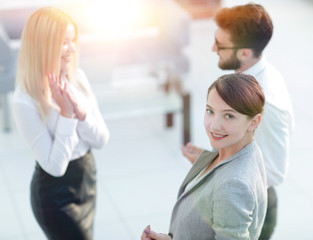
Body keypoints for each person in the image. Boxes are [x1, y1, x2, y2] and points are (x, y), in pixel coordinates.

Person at [181, 4, 294, 239]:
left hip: (247, 208)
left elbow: (274, 171)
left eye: (220, 45)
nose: (213, 48)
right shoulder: (248, 76)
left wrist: (216, 171)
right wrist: (211, 158)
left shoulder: (267, 102)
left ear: (244, 53)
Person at [12, 7, 110, 240]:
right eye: (64, 42)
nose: (72, 48)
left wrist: (80, 113)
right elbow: (55, 167)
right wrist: (67, 115)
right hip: (55, 197)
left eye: (72, 40)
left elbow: (101, 140)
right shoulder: (24, 99)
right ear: (43, 46)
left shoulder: (78, 78)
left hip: (87, 179)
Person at [141, 73, 267, 240]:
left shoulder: (233, 187)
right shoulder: (242, 147)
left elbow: (232, 182)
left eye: (229, 115)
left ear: (254, 122)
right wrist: (207, 160)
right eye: (210, 111)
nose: (214, 125)